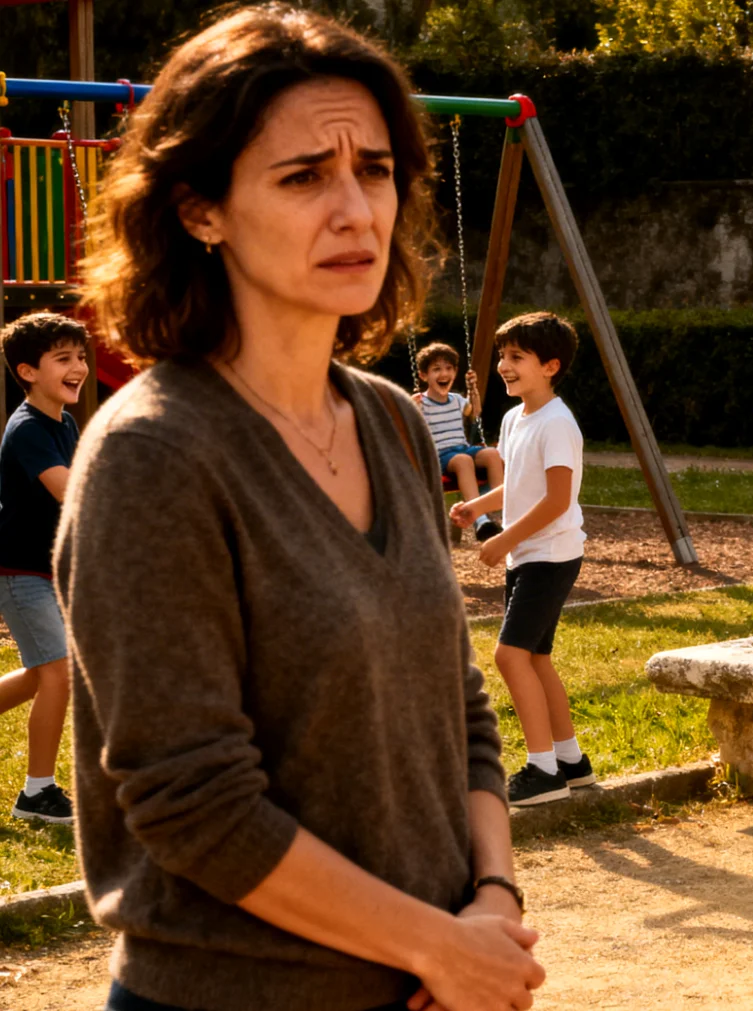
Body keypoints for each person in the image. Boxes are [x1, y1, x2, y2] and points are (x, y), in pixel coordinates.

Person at [61, 6, 545, 1010]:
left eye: (373, 170)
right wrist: (439, 946)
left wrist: (491, 898)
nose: (357, 211)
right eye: (301, 177)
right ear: (201, 210)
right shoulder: (154, 455)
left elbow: (454, 707)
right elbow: (194, 804)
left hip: (433, 977)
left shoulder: (393, 421)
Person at [450, 312, 595, 808]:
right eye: (502, 356)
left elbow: (557, 500)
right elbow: (518, 485)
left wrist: (501, 538)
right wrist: (478, 506)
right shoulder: (515, 419)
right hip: (528, 554)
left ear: (551, 366)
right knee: (535, 657)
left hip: (550, 556)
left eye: (517, 358)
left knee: (509, 656)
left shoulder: (558, 423)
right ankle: (571, 763)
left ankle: (542, 771)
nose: (504, 366)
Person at [0, 312, 88, 825]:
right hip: (19, 573)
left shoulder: (64, 422)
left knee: (45, 674)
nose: (78, 366)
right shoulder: (29, 429)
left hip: (45, 570)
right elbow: (71, 492)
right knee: (58, 672)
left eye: (80, 356)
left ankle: (39, 791)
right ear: (28, 371)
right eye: (63, 358)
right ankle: (36, 794)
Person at [413, 341, 503, 541]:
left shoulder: (456, 399)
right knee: (464, 460)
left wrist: (473, 390)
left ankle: (500, 504)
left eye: (448, 368)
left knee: (492, 454)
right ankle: (478, 519)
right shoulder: (421, 402)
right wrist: (412, 408)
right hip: (441, 455)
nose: (444, 374)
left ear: (455, 372)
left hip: (462, 448)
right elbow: (409, 427)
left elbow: (475, 411)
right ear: (423, 375)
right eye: (436, 369)